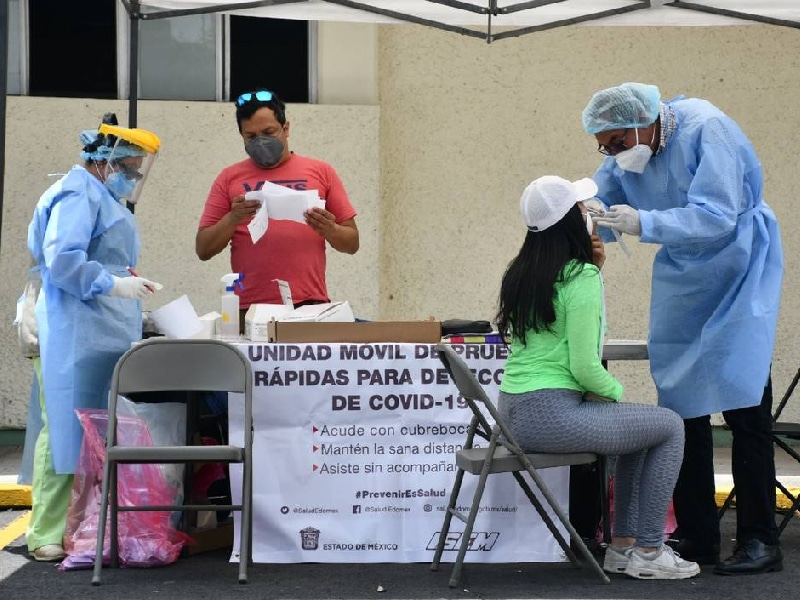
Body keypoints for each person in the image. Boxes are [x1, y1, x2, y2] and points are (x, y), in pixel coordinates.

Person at [582, 82, 784, 576]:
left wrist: (643, 222)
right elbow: (601, 197)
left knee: (746, 408)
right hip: (683, 275)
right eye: (604, 148)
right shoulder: (628, 147)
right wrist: (577, 211)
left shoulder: (706, 128)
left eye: (617, 143)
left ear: (643, 122)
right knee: (682, 408)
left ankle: (760, 539)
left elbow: (717, 216)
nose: (614, 155)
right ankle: (698, 535)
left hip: (738, 266)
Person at [496, 175, 699, 580]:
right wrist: (616, 393)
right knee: (671, 426)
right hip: (552, 415)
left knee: (638, 431)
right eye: (581, 208)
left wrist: (594, 271)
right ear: (571, 221)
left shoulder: (521, 272)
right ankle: (649, 551)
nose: (589, 213)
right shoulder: (580, 277)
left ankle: (623, 547)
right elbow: (585, 367)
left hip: (513, 414)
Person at [23, 115, 162, 561]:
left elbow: (106, 257)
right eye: (129, 168)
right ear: (106, 160)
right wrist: (114, 285)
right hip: (70, 323)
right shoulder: (77, 192)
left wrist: (127, 285)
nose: (132, 177)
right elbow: (64, 261)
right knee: (64, 427)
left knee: (91, 432)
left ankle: (82, 527)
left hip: (96, 326)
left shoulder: (101, 196)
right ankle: (46, 531)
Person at [196, 88, 359, 327]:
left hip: (310, 306)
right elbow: (203, 249)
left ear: (286, 128)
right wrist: (233, 218)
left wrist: (330, 229)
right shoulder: (228, 178)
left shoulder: (321, 172)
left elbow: (352, 243)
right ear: (241, 136)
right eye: (251, 136)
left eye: (269, 132)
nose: (260, 141)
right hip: (249, 310)